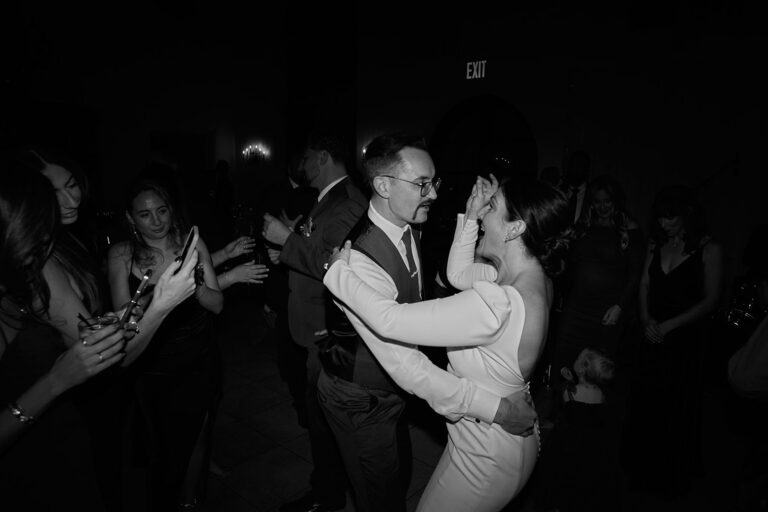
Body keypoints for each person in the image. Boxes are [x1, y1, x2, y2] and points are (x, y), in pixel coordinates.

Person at [318, 133, 552, 512]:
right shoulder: (360, 260)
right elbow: (408, 365)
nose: (435, 194)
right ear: (384, 186)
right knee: (380, 496)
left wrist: (336, 274)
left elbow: (404, 313)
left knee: (395, 482)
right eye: (423, 183)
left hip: (469, 434)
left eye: (433, 182)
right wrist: (500, 409)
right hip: (365, 397)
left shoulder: (412, 223)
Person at [0, 166, 198, 510]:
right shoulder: (100, 257)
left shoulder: (30, 274)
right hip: (26, 466)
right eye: (39, 225)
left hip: (66, 435)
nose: (46, 241)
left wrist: (121, 320)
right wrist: (57, 380)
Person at [261, 132, 367, 512]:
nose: (301, 166)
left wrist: (286, 241)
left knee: (327, 425)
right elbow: (317, 249)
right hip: (312, 327)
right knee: (320, 421)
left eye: (306, 158)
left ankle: (328, 496)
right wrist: (287, 252)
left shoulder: (348, 201)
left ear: (322, 157)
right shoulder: (327, 198)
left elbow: (336, 267)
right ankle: (327, 490)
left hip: (327, 332)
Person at [107, 178, 224, 511]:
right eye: (145, 214)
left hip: (199, 356)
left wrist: (194, 286)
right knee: (162, 444)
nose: (156, 221)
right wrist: (149, 302)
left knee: (198, 432)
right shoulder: (121, 254)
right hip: (152, 363)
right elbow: (124, 322)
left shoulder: (192, 244)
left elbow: (218, 305)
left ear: (171, 210)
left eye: (162, 211)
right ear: (130, 218)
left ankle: (188, 500)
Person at [623, 184, 723, 498]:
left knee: (676, 407)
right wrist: (646, 319)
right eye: (660, 217)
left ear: (687, 215)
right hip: (652, 334)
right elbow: (644, 285)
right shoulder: (656, 244)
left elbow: (711, 301)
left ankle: (669, 476)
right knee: (646, 402)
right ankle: (639, 468)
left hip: (684, 341)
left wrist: (669, 326)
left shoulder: (709, 249)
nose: (664, 223)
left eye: (671, 217)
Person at [553, 175, 643, 376]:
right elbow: (568, 263)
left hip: (606, 310)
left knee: (597, 370)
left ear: (615, 201)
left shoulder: (629, 229)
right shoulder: (584, 226)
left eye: (607, 201)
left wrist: (620, 306)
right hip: (576, 307)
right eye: (597, 201)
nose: (602, 207)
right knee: (564, 361)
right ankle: (564, 396)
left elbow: (635, 274)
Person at [533, 348, 621, 512]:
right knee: (582, 480)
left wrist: (569, 381)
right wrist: (573, 379)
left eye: (578, 358)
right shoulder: (601, 394)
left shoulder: (569, 392)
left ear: (581, 369)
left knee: (559, 478)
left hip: (567, 444)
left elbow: (564, 400)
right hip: (592, 445)